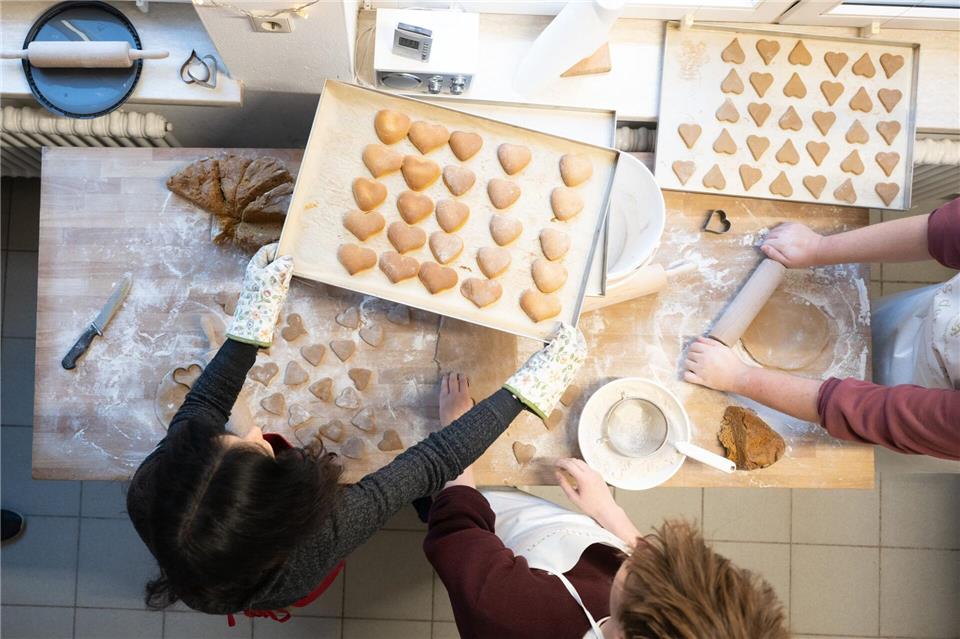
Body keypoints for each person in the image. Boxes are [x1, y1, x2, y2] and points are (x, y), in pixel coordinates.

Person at [126, 243, 586, 618]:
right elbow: (430, 463)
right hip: (283, 572)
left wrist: (252, 321)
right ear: (285, 507)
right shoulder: (316, 541)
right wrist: (527, 391)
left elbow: (205, 403)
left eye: (230, 438)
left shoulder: (159, 482)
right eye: (256, 450)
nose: (254, 432)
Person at [424, 379, 788, 639]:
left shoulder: (507, 613)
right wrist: (608, 513)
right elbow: (669, 583)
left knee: (434, 492)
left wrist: (459, 437)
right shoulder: (653, 612)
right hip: (558, 539)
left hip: (492, 531)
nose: (642, 552)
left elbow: (458, 531)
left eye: (643, 570)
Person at [685, 198, 959, 462]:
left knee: (864, 418)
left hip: (929, 395)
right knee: (867, 331)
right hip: (939, 314)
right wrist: (818, 248)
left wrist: (739, 377)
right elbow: (945, 231)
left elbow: (881, 415)